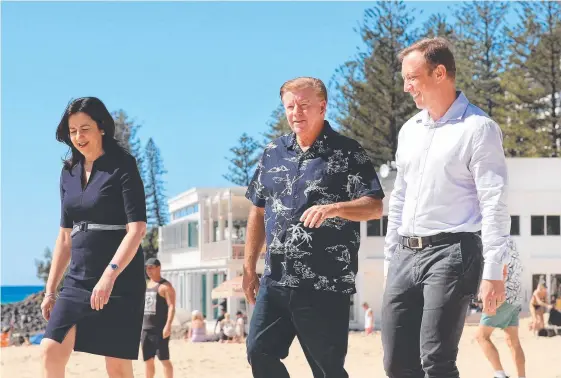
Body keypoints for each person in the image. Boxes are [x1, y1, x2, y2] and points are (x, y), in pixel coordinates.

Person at [382, 37, 511, 378]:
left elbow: (494, 202)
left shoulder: (479, 129)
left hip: (453, 253)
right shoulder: (410, 130)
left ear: (439, 73)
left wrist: (494, 270)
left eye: (412, 78)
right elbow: (400, 197)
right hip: (405, 255)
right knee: (395, 363)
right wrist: (390, 257)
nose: (407, 87)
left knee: (435, 361)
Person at [243, 76, 384, 378]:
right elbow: (257, 210)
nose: (296, 113)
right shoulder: (272, 153)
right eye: (290, 107)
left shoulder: (348, 152)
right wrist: (248, 268)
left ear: (322, 106)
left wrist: (334, 208)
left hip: (325, 283)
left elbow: (374, 206)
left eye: (304, 105)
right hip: (276, 279)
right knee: (258, 351)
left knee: (327, 370)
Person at [40, 97, 147, 378]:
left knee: (117, 366)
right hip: (78, 278)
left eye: (84, 128)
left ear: (101, 127)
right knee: (50, 350)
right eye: (72, 130)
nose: (78, 136)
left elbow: (136, 229)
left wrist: (109, 275)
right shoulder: (68, 172)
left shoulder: (123, 165)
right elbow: (64, 236)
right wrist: (51, 290)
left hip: (121, 277)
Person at [477, 238, 525, 378]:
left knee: (481, 336)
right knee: (513, 341)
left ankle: (500, 374)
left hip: (501, 295)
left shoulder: (491, 241)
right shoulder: (511, 241)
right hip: (515, 296)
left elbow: (499, 269)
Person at [141, 258, 176, 378]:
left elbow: (171, 306)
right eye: (146, 268)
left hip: (159, 329)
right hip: (146, 329)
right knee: (148, 361)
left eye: (151, 267)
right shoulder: (146, 285)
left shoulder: (165, 286)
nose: (148, 270)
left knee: (164, 360)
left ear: (158, 268)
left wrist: (168, 325)